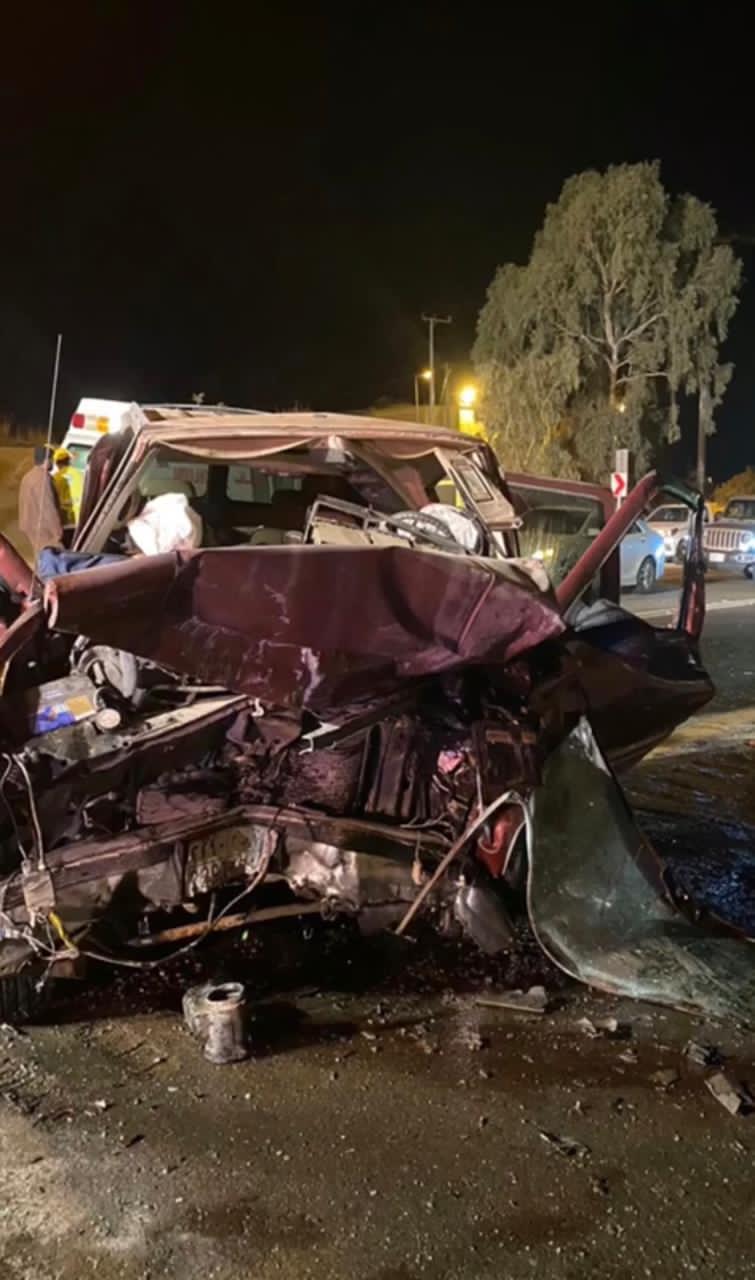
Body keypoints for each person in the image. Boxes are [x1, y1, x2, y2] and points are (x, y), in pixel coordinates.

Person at [17, 445, 63, 559]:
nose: (53, 463)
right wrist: (57, 531)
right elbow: (48, 506)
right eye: (52, 459)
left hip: (31, 525)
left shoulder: (28, 475)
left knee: (40, 558)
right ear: (47, 460)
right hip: (43, 528)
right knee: (54, 559)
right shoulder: (42, 478)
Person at [51, 446, 84, 526]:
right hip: (77, 515)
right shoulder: (79, 475)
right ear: (68, 461)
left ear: (57, 463)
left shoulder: (56, 477)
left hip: (62, 516)